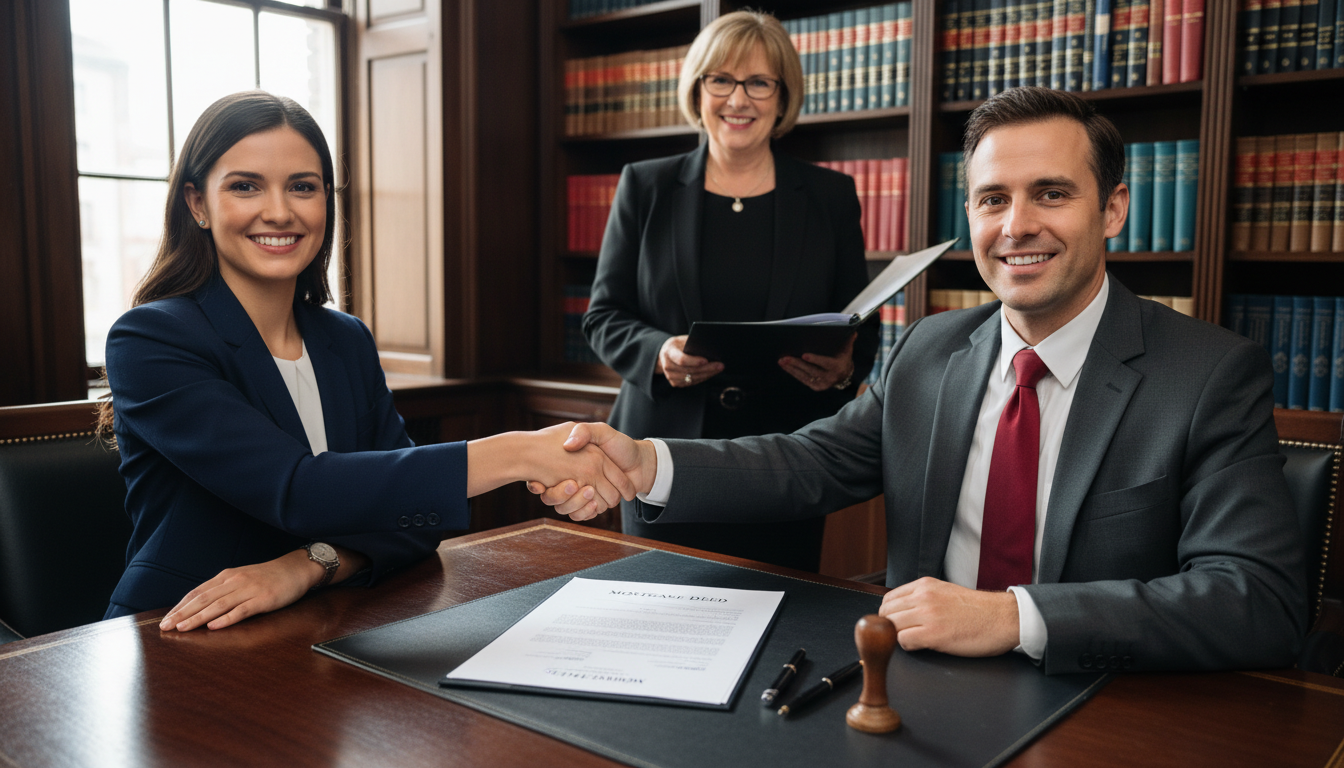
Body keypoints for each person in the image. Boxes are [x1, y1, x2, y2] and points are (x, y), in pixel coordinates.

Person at [544, 86, 1307, 674]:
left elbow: (1258, 601)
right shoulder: (931, 349)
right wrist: (651, 463)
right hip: (909, 690)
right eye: (992, 199)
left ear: (1112, 209)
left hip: (1105, 698)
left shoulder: (1209, 374)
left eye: (1051, 193)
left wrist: (1013, 618)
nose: (1016, 227)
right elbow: (810, 461)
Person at [100, 91, 627, 632]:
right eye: (245, 186)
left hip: (329, 621)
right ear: (197, 204)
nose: (279, 211)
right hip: (181, 629)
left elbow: (411, 523)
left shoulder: (345, 339)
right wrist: (518, 452)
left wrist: (305, 568)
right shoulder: (151, 339)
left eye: (302, 187)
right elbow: (297, 490)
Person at [583, 11, 879, 572]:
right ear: (697, 90)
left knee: (779, 614)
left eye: (758, 82)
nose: (738, 99)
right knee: (657, 618)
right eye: (720, 80)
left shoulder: (829, 195)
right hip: (660, 452)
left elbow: (858, 320)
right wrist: (658, 353)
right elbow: (603, 316)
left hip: (787, 459)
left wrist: (843, 368)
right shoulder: (645, 186)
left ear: (782, 95)